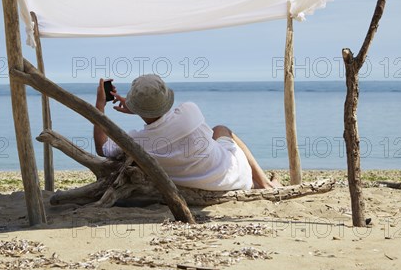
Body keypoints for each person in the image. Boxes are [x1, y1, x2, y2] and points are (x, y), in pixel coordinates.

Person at [93, 74, 281, 191]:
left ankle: (264, 183)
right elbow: (198, 133)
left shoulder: (135, 141)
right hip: (232, 177)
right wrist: (140, 109)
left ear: (136, 108)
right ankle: (265, 184)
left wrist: (100, 105)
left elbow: (101, 148)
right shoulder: (190, 111)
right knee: (221, 130)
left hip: (195, 185)